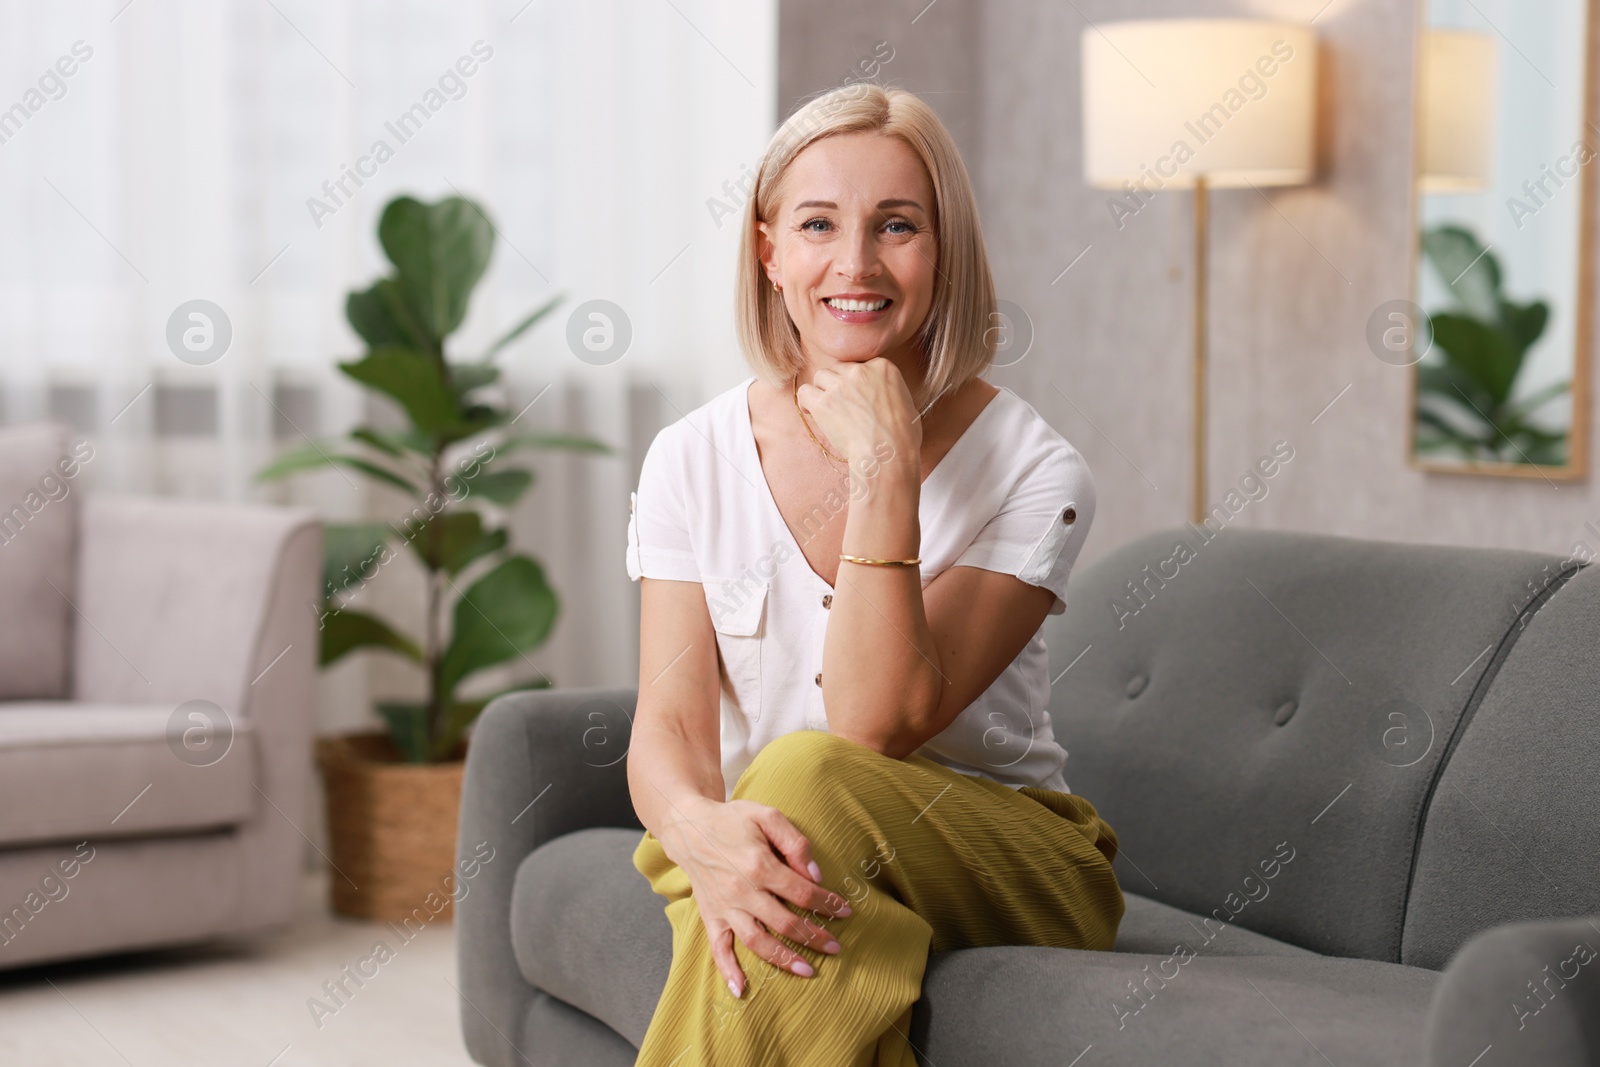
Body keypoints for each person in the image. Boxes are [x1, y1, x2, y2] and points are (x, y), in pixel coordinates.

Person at [623, 82, 1124, 1067]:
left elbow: (870, 721)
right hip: (800, 837)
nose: (853, 263)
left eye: (896, 226)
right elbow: (670, 728)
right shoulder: (689, 455)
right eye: (817, 223)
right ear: (768, 250)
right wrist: (694, 827)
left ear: (944, 253)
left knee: (803, 776)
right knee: (744, 844)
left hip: (1012, 857)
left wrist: (882, 469)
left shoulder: (1034, 470)